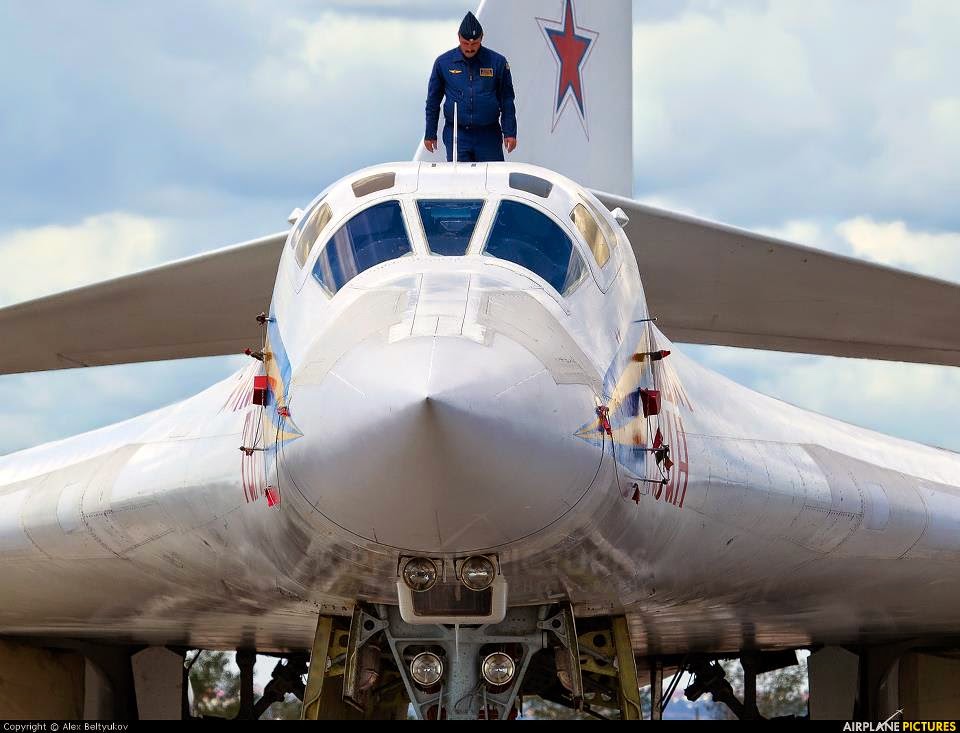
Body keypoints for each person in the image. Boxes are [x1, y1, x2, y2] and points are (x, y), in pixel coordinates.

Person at [423, 11, 517, 162]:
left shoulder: (497, 62)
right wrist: (430, 133)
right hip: (458, 135)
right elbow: (433, 102)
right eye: (466, 43)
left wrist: (510, 132)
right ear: (459, 37)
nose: (470, 48)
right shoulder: (443, 63)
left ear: (481, 38)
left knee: (491, 179)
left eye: (474, 43)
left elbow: (507, 99)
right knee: (459, 181)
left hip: (489, 135)